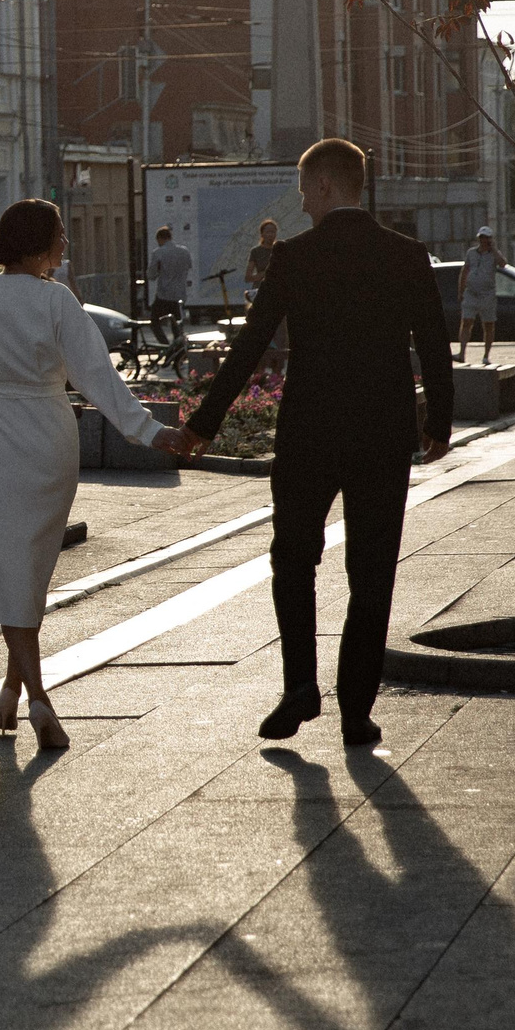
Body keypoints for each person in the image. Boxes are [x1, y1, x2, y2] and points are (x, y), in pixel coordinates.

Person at [164, 139, 453, 748]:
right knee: (372, 571)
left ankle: (300, 687)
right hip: (381, 432)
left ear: (323, 185)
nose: (300, 199)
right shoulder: (407, 254)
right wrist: (439, 424)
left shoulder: (294, 258)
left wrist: (201, 425)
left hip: (309, 433)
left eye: (303, 187)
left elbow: (249, 349)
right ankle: (356, 710)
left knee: (293, 558)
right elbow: (434, 344)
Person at [0, 199, 182, 753]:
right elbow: (97, 376)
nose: (66, 246)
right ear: (39, 243)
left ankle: (38, 698)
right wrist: (147, 431)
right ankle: (14, 691)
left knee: (6, 568)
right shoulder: (58, 301)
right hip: (51, 438)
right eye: (60, 236)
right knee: (28, 571)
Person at [246, 218, 290, 376]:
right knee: (259, 332)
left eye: (274, 231)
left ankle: (278, 372)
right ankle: (260, 372)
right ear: (262, 233)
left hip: (278, 295)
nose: (271, 234)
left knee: (280, 334)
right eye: (268, 231)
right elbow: (249, 276)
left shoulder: (281, 249)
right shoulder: (256, 251)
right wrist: (266, 273)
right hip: (260, 294)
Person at [456, 227, 507, 363]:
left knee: (488, 324)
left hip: (487, 294)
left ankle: (486, 355)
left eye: (486, 238)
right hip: (471, 293)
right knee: (466, 322)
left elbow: (503, 264)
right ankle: (462, 353)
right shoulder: (471, 253)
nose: (484, 240)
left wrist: (494, 249)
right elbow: (465, 271)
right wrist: (461, 290)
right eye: (482, 237)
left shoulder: (494, 254)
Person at [146, 226, 193, 324]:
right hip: (180, 293)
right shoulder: (184, 251)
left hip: (164, 294)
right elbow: (189, 266)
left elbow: (151, 275)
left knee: (154, 321)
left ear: (160, 239)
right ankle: (178, 338)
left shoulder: (158, 253)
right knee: (177, 323)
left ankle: (164, 340)